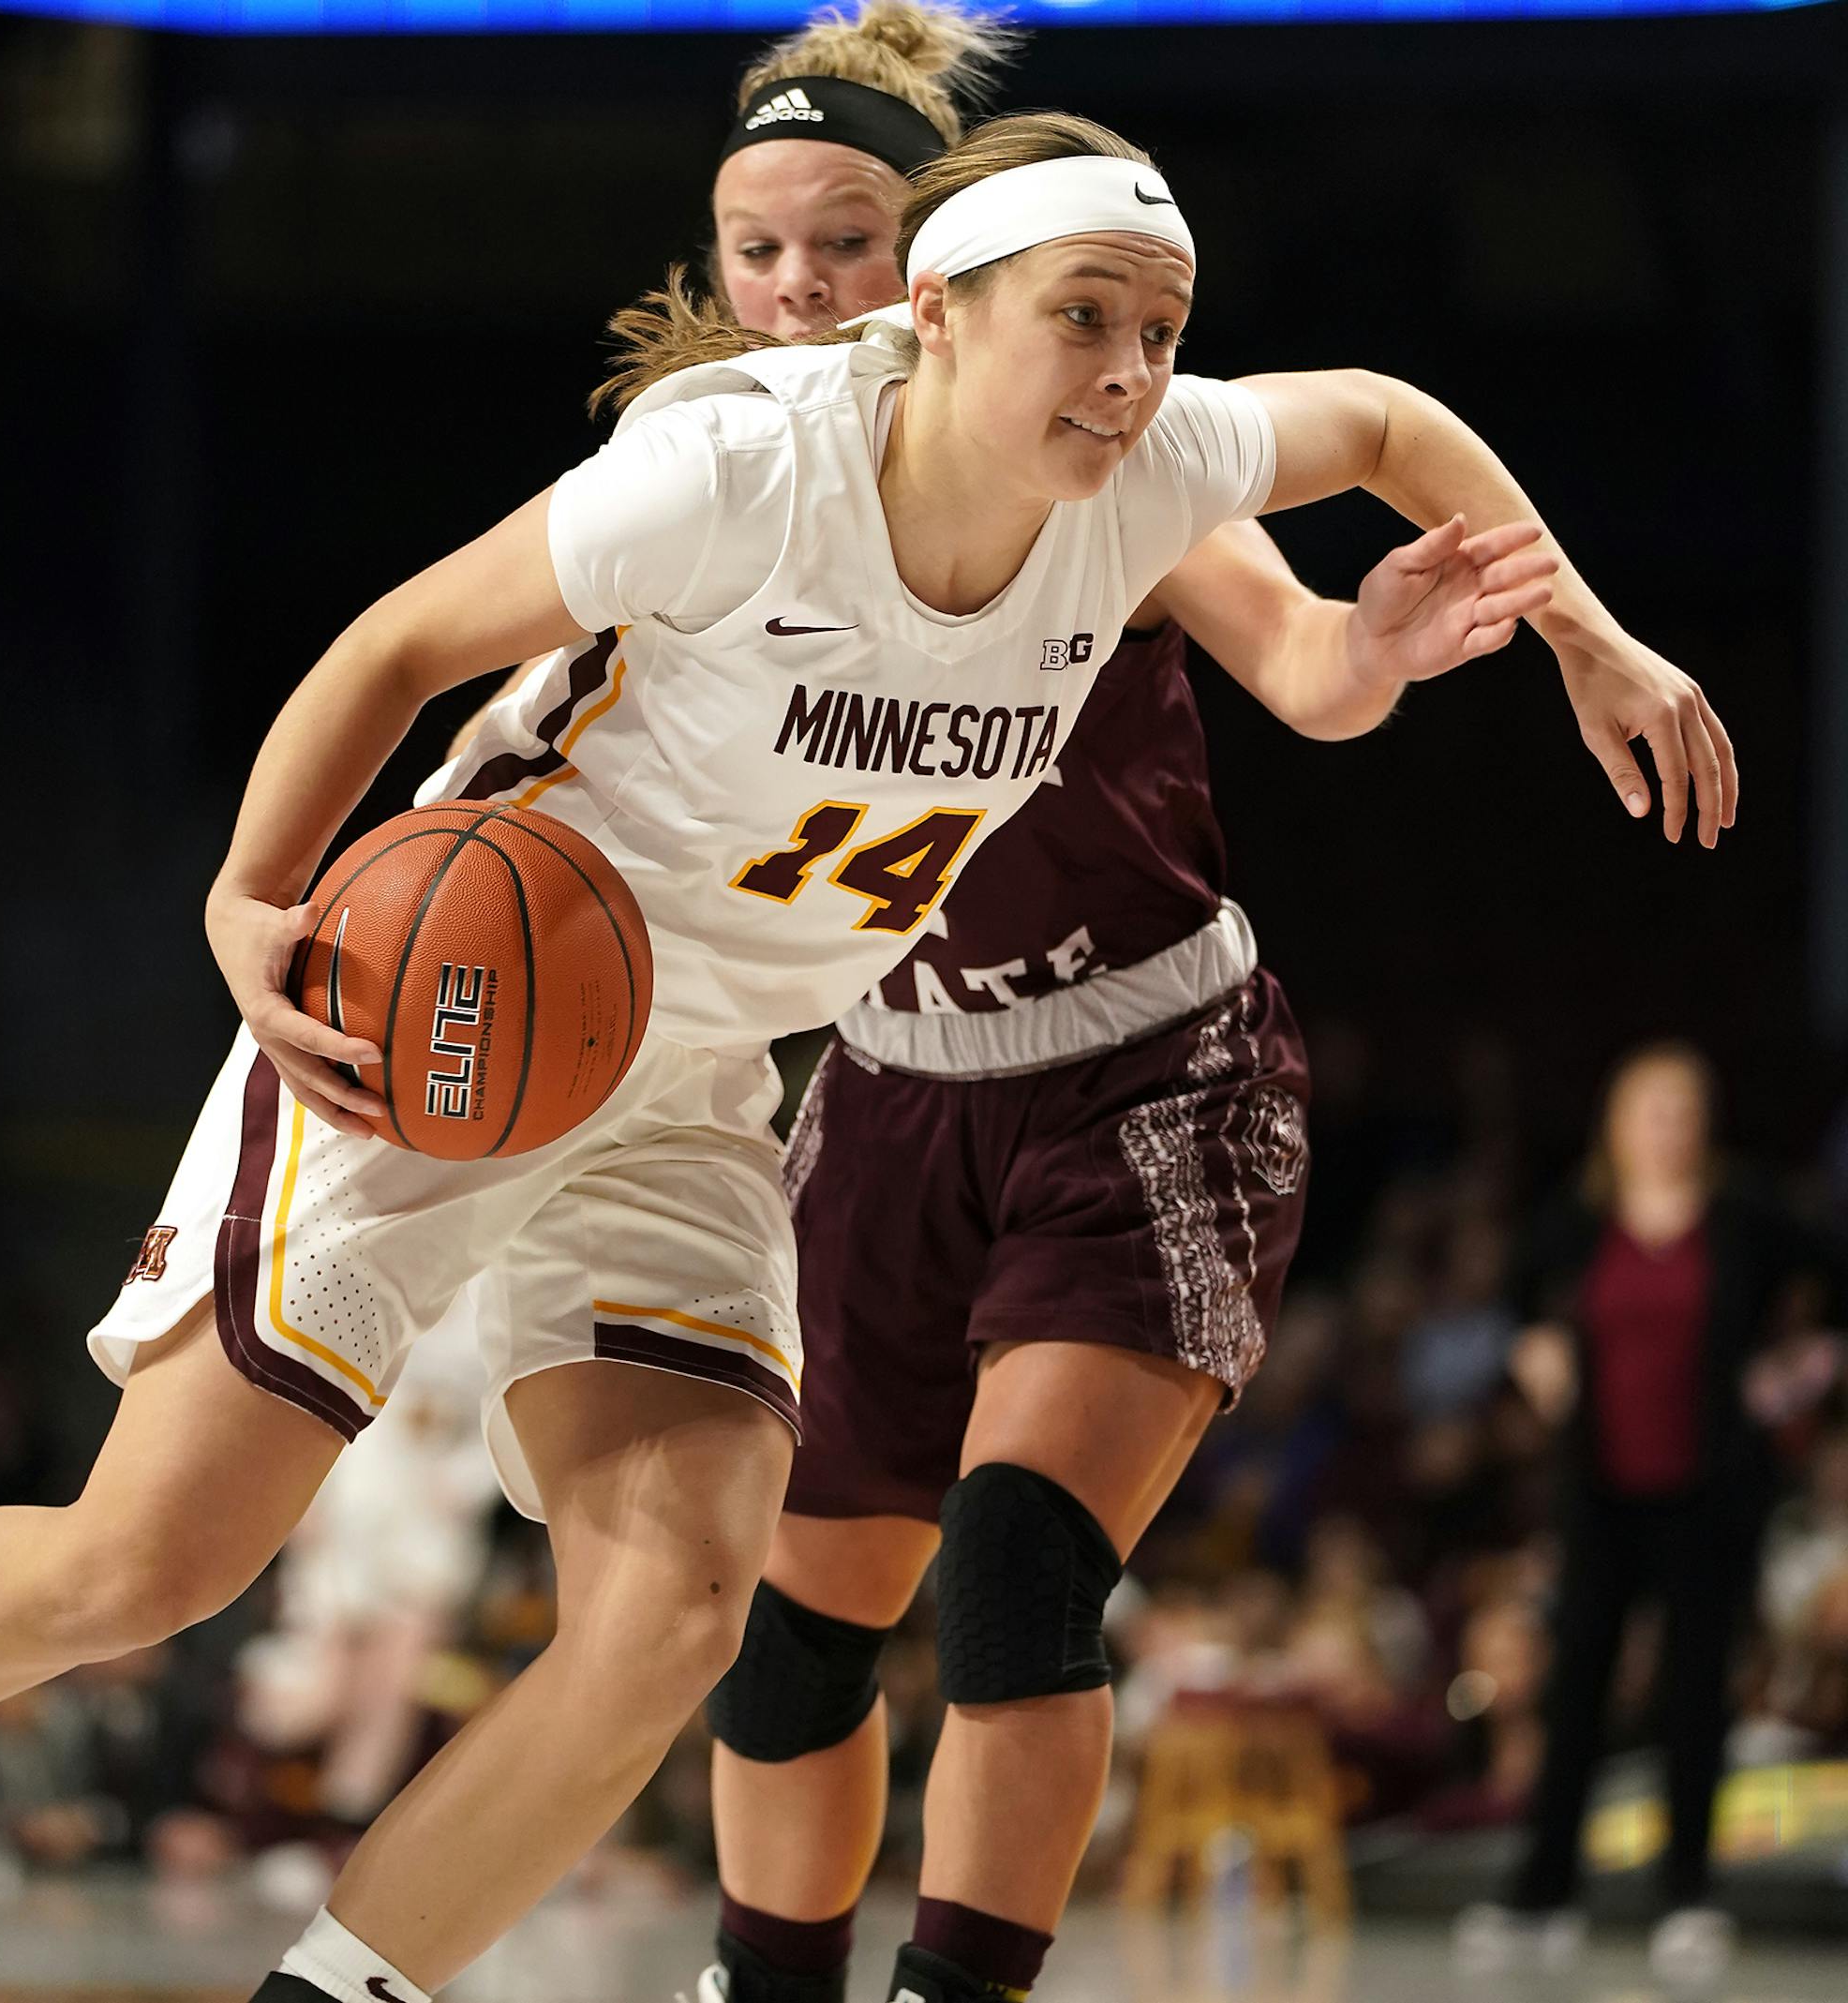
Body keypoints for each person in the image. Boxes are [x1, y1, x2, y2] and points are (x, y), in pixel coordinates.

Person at [0, 98, 1730, 2003]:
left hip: (691, 1081)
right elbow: (400, 642)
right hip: (458, 1015)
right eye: (1085, 316)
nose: (1133, 367)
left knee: (675, 1614)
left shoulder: (1150, 465)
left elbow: (1383, 420)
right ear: (942, 308)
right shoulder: (739, 468)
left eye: (1162, 327)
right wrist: (250, 894)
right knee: (147, 1569)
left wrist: (1580, 639)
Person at [669, 13, 1737, 2003]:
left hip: (1141, 1070)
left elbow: (1336, 601)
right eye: (760, 251)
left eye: (848, 242)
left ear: (945, 270)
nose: (802, 287)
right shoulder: (707, 484)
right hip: (890, 1081)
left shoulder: (1106, 449)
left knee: (1013, 1574)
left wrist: (1564, 640)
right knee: (791, 1627)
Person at [1457, 1042, 1842, 1992]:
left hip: (1710, 1495)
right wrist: (1537, 1355)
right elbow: (1516, 1297)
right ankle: (1544, 1895)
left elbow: (1832, 1283)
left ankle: (1688, 1894)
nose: (1666, 1129)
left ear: (1702, 1126)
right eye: (1650, 1111)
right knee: (1577, 1685)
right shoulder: (1581, 1219)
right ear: (1616, 1126)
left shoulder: (1743, 1215)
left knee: (1695, 1690)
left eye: (1681, 1112)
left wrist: (1788, 1381)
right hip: (1601, 1493)